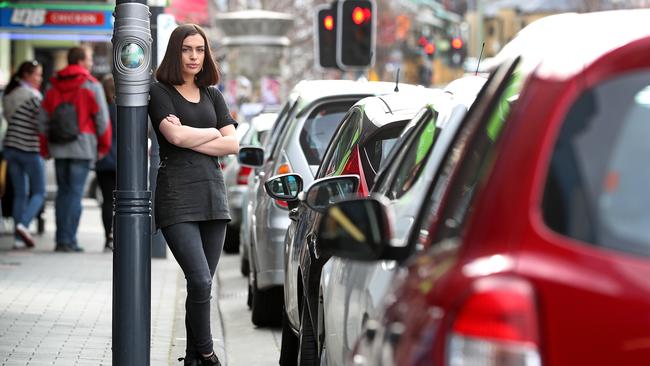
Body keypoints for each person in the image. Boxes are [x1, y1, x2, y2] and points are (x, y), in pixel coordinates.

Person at [148, 24, 238, 366]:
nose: (194, 56)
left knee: (203, 287)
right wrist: (213, 131)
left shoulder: (213, 95)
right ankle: (207, 352)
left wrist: (195, 132)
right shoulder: (161, 93)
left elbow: (232, 144)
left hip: (214, 197)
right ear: (176, 51)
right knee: (199, 279)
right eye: (187, 49)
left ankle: (191, 358)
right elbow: (175, 139)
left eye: (200, 50)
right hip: (176, 196)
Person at [39, 46, 112, 252]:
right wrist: (104, 146)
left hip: (59, 147)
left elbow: (42, 120)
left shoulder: (52, 86)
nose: (91, 62)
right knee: (75, 194)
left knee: (63, 192)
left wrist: (45, 147)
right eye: (88, 58)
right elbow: (102, 120)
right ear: (80, 61)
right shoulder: (90, 85)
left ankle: (61, 239)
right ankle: (69, 240)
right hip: (83, 146)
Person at [1, 60, 46, 249]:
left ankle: (19, 239)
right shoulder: (32, 95)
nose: (40, 79)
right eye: (37, 75)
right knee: (39, 192)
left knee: (21, 193)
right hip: (29, 148)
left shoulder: (8, 94)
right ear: (27, 75)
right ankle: (23, 224)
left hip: (10, 148)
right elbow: (41, 123)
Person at [95, 74, 117, 251]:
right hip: (123, 162)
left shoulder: (101, 110)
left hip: (103, 159)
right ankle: (119, 234)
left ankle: (107, 237)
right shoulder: (125, 109)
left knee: (107, 200)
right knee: (123, 201)